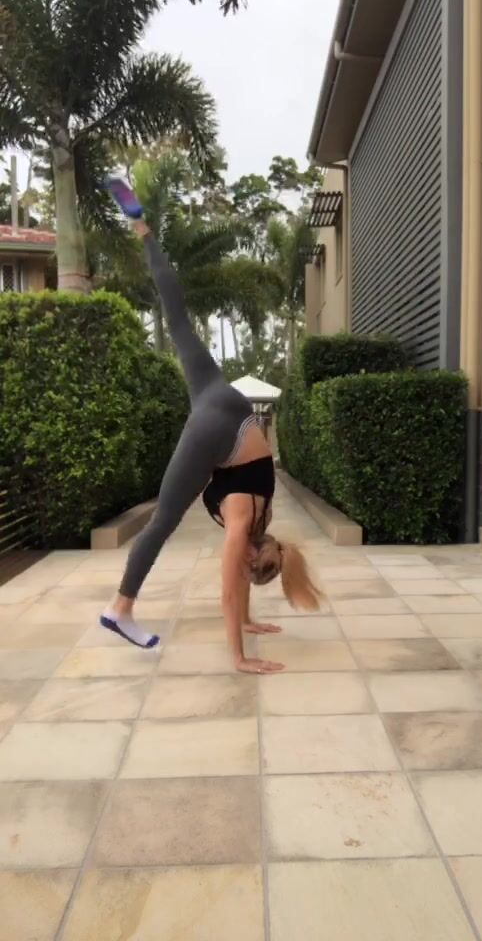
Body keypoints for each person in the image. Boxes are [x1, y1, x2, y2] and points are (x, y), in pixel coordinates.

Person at [99, 177, 321, 675]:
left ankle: (142, 229)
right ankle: (120, 607)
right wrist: (239, 657)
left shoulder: (262, 521)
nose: (241, 567)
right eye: (250, 567)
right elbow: (228, 590)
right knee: (162, 521)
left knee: (178, 319)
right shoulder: (244, 522)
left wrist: (249, 620)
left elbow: (242, 578)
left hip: (221, 398)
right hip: (218, 431)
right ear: (256, 557)